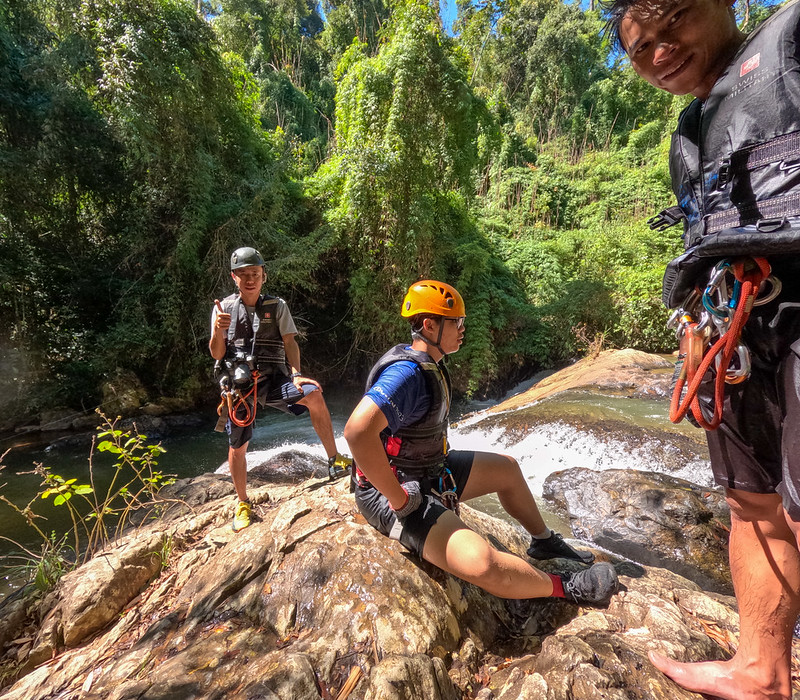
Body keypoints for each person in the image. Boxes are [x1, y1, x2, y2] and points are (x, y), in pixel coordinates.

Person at [604, 0, 800, 697]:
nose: (661, 53)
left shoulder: (793, 39)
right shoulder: (689, 136)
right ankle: (761, 671)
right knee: (751, 501)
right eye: (641, 48)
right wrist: (697, 332)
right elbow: (705, 242)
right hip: (734, 333)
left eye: (675, 21)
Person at [344, 280, 619, 607]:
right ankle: (568, 587)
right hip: (395, 492)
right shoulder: (406, 374)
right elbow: (357, 432)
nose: (463, 329)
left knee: (507, 470)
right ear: (429, 325)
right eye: (457, 322)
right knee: (482, 563)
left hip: (429, 470)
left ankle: (543, 541)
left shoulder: (428, 362)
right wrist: (399, 499)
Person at [210, 246, 353, 532]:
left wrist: (296, 375)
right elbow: (216, 354)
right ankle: (242, 502)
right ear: (234, 277)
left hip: (274, 379)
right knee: (238, 445)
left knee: (313, 394)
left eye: (255, 273)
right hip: (240, 387)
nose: (250, 279)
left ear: (263, 276)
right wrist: (217, 330)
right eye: (243, 274)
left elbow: (290, 342)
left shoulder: (277, 306)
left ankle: (334, 459)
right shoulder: (222, 309)